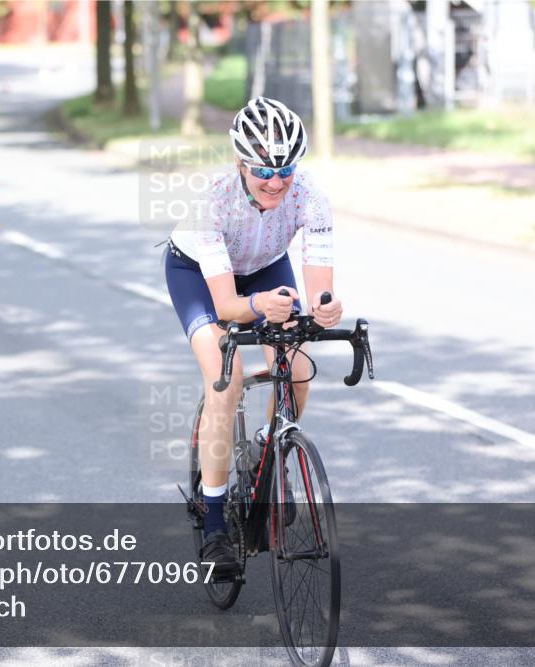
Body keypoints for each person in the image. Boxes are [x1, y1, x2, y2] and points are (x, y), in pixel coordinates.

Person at [164, 97, 343, 570]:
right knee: (227, 379)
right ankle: (216, 520)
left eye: (285, 168)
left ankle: (267, 445)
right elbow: (226, 306)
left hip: (265, 268)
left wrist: (325, 310)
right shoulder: (214, 203)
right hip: (199, 278)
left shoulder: (310, 195)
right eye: (263, 171)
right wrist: (259, 307)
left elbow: (320, 290)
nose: (276, 181)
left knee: (299, 367)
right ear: (240, 163)